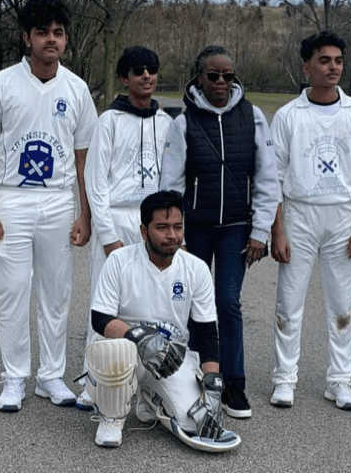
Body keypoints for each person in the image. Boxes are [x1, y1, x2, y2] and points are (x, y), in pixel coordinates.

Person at [0, 0, 98, 413]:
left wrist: (85, 212)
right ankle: (14, 377)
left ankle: (50, 376)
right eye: (42, 32)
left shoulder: (77, 89)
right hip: (12, 199)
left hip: (59, 201)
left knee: (57, 293)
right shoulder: (2, 83)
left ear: (65, 40)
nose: (51, 39)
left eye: (58, 33)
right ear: (27, 37)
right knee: (12, 293)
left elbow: (85, 157)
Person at [159, 45, 280, 420]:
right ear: (199, 78)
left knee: (227, 302)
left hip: (236, 229)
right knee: (192, 303)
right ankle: (192, 378)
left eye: (229, 76)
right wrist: (171, 230)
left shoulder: (253, 117)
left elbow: (267, 178)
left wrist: (260, 230)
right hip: (194, 229)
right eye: (214, 76)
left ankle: (233, 383)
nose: (222, 83)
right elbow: (171, 182)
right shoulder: (183, 122)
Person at [84, 190, 240, 452]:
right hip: (126, 354)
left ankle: (152, 399)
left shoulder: (196, 268)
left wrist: (212, 386)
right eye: (162, 227)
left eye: (178, 227)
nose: (172, 235)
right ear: (144, 231)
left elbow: (207, 332)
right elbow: (100, 319)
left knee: (194, 421)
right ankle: (112, 417)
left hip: (170, 359)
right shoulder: (119, 261)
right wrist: (141, 337)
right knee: (114, 350)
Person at [269, 32, 351, 411]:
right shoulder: (290, 116)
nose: (333, 67)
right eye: (324, 61)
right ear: (306, 67)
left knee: (342, 305)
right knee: (288, 303)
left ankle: (340, 380)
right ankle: (284, 379)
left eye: (338, 60)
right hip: (300, 214)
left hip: (341, 215)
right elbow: (275, 176)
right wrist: (278, 230)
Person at [78, 46, 173, 409]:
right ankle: (93, 384)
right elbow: (95, 180)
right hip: (117, 217)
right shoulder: (109, 121)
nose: (146, 76)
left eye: (151, 70)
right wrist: (107, 235)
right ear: (124, 78)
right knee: (105, 303)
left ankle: (145, 383)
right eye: (138, 71)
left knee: (150, 302)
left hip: (153, 222)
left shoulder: (165, 123)